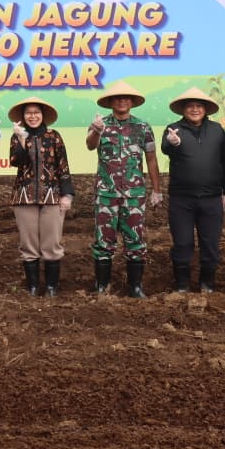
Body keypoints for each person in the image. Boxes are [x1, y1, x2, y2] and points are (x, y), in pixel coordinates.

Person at [86, 80, 163, 298]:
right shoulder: (101, 124)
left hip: (134, 195)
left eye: (126, 98)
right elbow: (90, 145)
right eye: (117, 98)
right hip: (106, 195)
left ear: (132, 102)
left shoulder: (143, 127)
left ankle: (135, 287)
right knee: (103, 242)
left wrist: (156, 190)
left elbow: (151, 159)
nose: (122, 101)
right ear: (111, 102)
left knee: (135, 242)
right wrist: (96, 130)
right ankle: (102, 286)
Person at [161, 86, 225, 294]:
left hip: (211, 198)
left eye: (199, 106)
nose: (195, 109)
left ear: (205, 109)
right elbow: (165, 148)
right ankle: (182, 285)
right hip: (181, 199)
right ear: (183, 109)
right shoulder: (173, 129)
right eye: (190, 106)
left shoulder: (216, 130)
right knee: (183, 243)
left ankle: (207, 284)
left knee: (210, 243)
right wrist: (172, 143)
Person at [8, 96, 75, 297]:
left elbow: (63, 166)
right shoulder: (17, 136)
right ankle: (33, 286)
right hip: (24, 196)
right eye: (28, 113)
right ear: (23, 116)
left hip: (52, 196)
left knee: (52, 243)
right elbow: (16, 161)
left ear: (43, 115)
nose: (33, 116)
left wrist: (67, 194)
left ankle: (52, 287)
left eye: (36, 112)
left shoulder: (54, 136)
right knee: (28, 244)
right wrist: (20, 140)